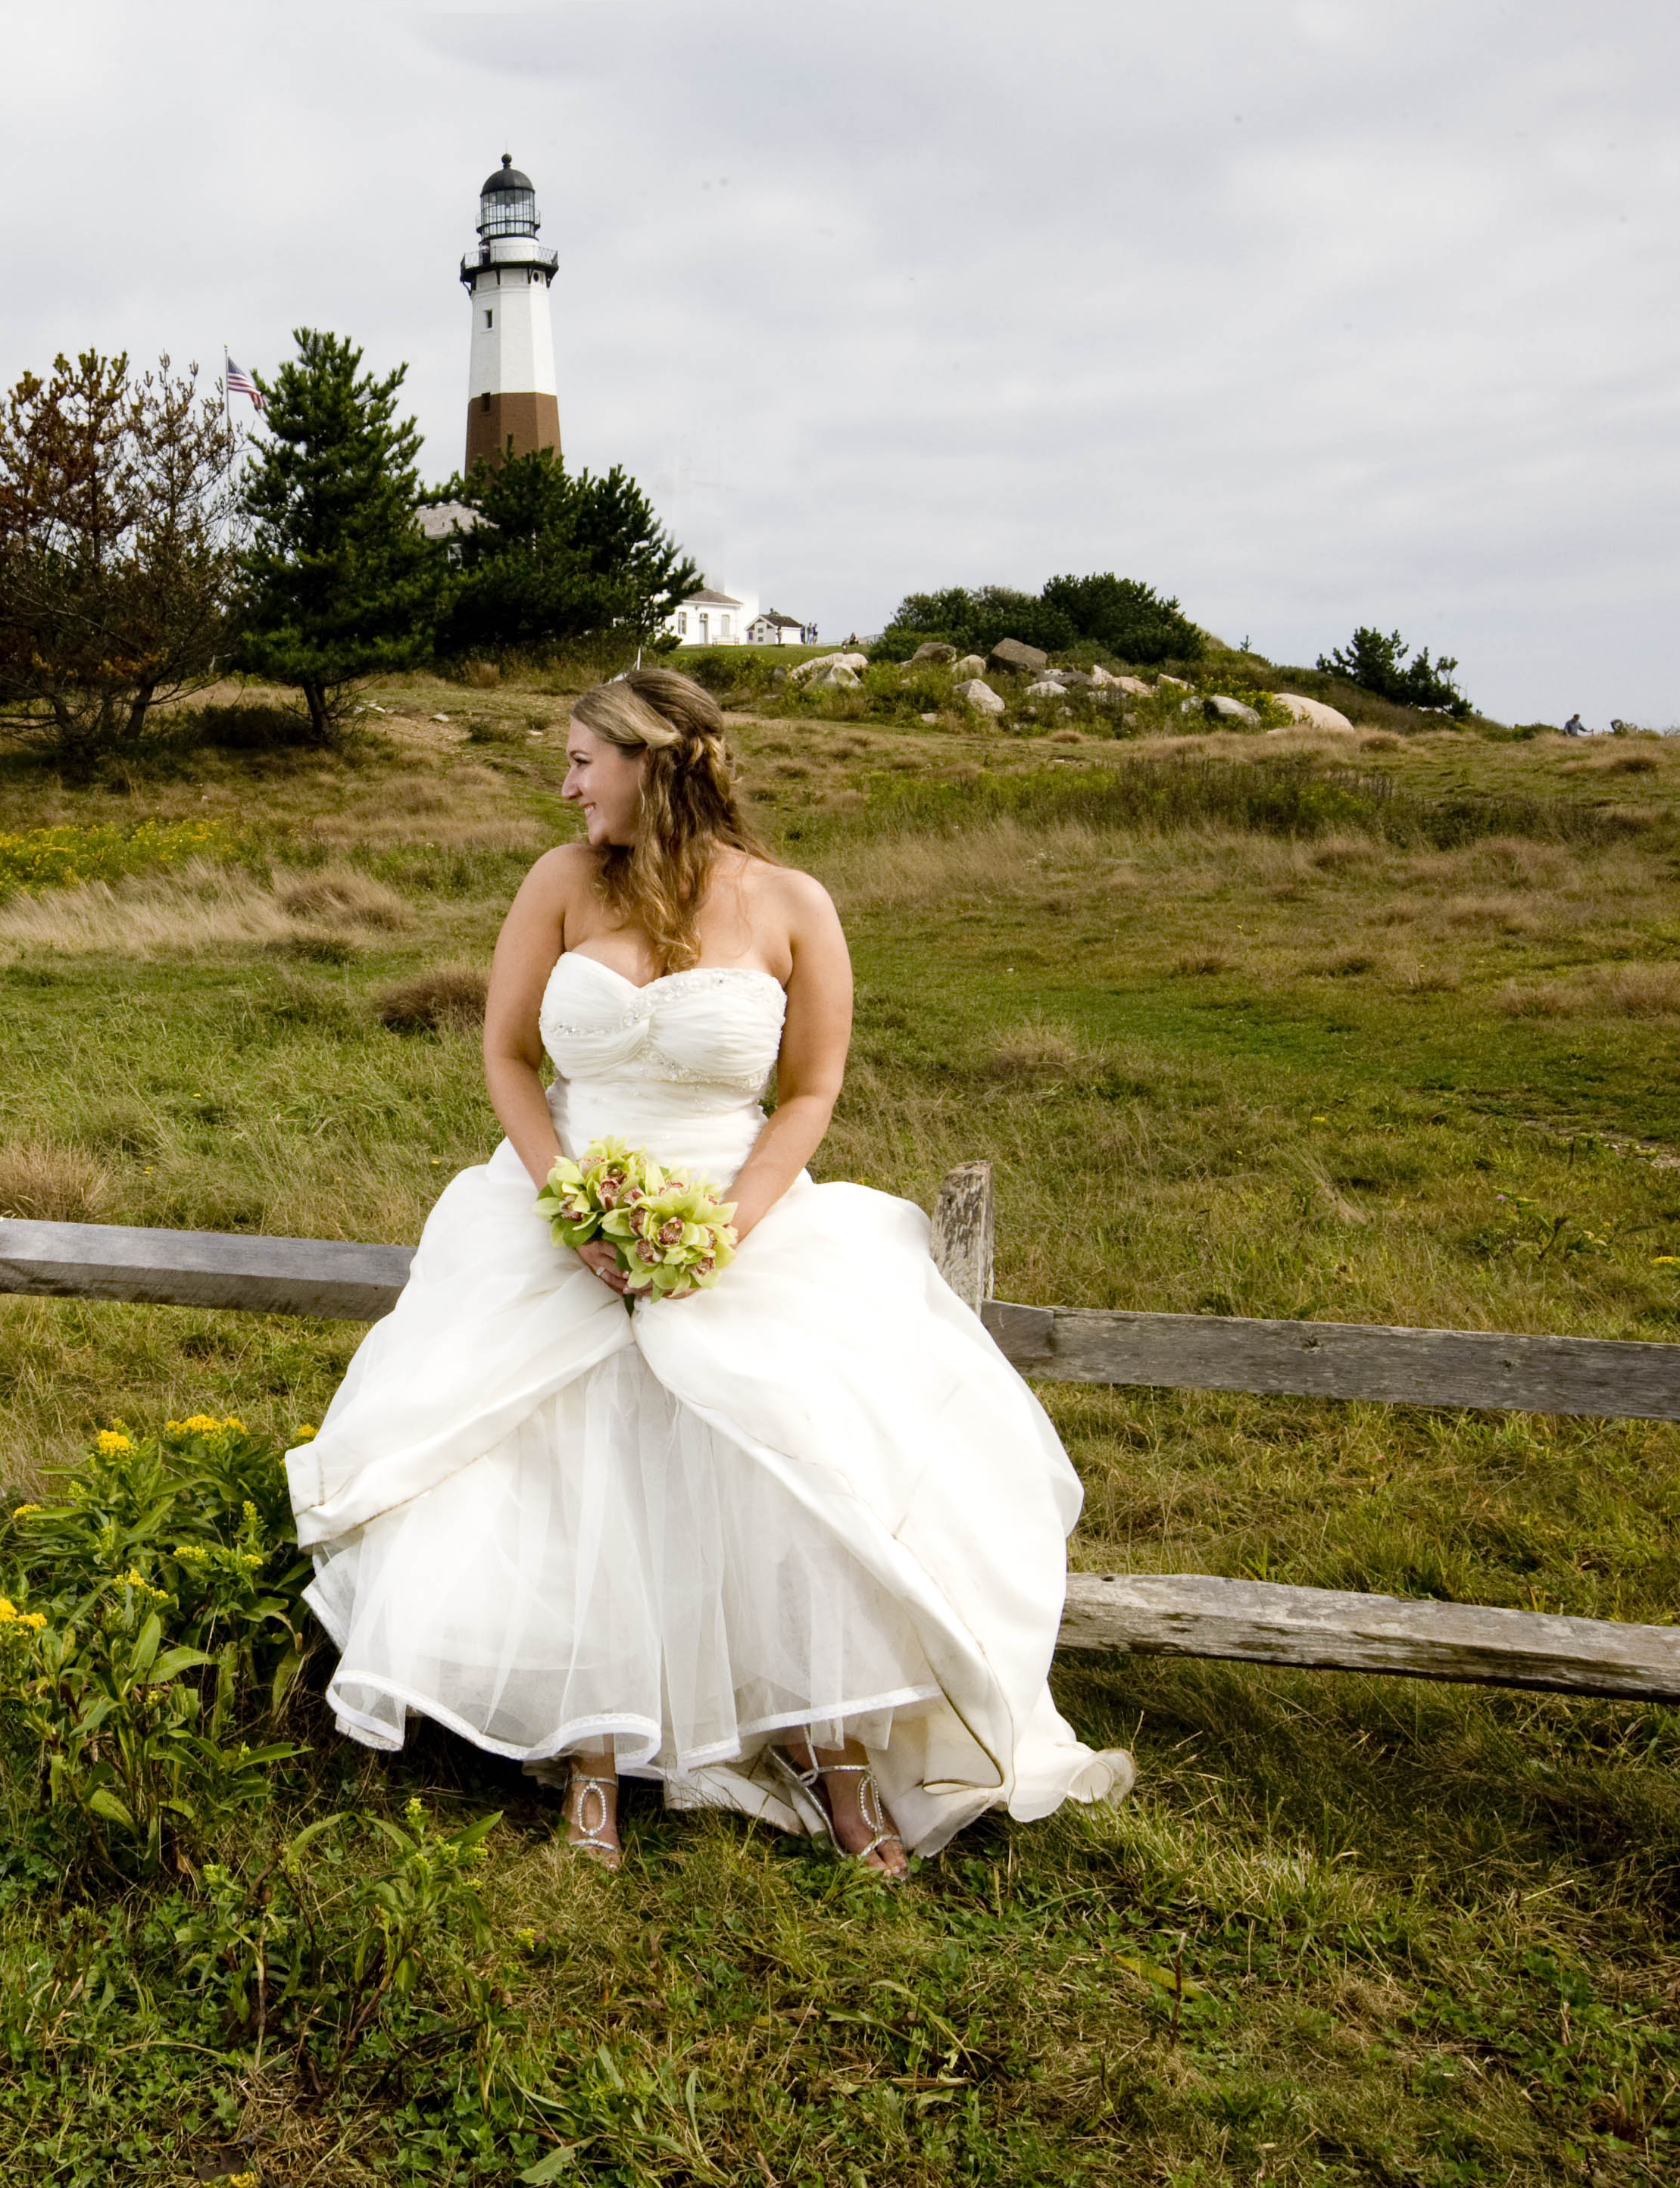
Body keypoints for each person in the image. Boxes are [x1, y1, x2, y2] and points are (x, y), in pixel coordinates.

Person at [286, 670, 1132, 1874]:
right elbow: (508, 1056)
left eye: (584, 760)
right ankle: (591, 1752)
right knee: (575, 1459)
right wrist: (570, 1204)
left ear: (653, 761)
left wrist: (722, 1227)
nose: (565, 782)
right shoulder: (561, 883)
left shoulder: (793, 903)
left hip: (740, 1217)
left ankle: (826, 1745)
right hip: (561, 1211)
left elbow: (812, 1091)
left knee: (787, 1466)